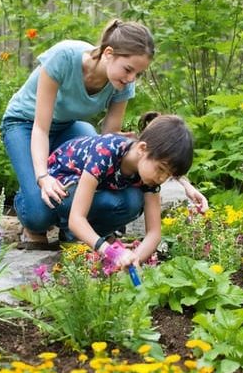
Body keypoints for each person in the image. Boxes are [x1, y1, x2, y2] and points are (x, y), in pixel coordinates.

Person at [1, 19, 208, 249]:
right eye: (128, 69)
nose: (131, 79)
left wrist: (182, 182)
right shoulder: (63, 58)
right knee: (39, 212)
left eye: (138, 74)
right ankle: (27, 201)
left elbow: (113, 143)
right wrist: (42, 178)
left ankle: (73, 227)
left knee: (90, 144)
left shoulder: (122, 84)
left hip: (70, 126)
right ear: (109, 53)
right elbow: (41, 127)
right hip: (25, 124)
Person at [46, 112, 193, 268]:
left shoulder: (150, 174)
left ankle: (89, 237)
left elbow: (154, 233)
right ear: (142, 148)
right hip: (60, 189)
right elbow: (76, 219)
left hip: (96, 194)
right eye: (161, 169)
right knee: (74, 203)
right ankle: (73, 236)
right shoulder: (105, 152)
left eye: (168, 175)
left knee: (133, 201)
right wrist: (110, 252)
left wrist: (133, 259)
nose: (162, 178)